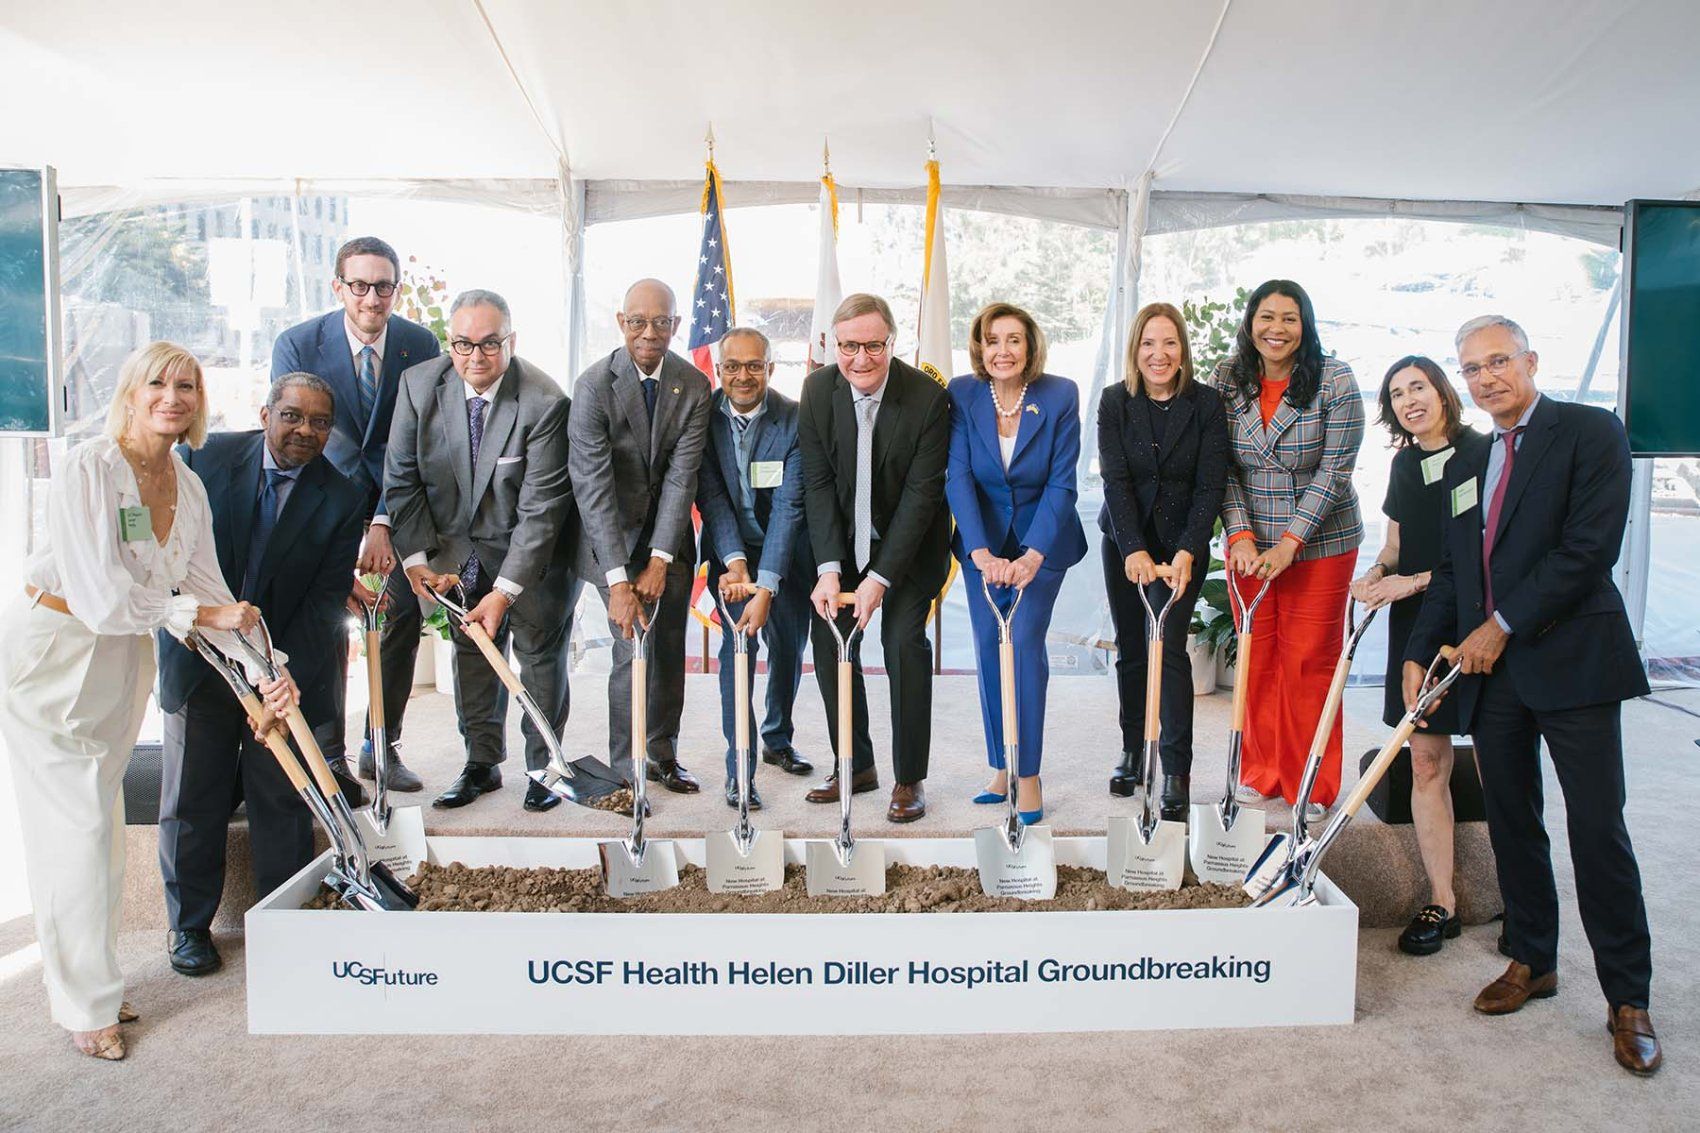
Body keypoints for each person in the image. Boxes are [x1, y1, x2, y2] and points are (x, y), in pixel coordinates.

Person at [0, 342, 294, 1061]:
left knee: (97, 823)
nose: (173, 395)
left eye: (186, 385)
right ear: (131, 392)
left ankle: (95, 979)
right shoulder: (88, 468)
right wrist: (201, 615)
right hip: (54, 651)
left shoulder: (185, 484)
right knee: (72, 831)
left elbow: (216, 594)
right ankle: (84, 1004)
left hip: (119, 658)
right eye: (157, 382)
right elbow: (104, 598)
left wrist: (266, 670)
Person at [1404, 315, 1659, 1075]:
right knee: (1514, 819)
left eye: (1498, 362)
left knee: (1596, 827)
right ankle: (1532, 959)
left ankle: (1629, 999)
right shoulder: (1468, 462)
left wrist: (1502, 624)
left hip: (1573, 660)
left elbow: (1589, 549)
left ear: (1530, 360)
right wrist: (1421, 651)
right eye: (1472, 368)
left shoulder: (1591, 432)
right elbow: (1453, 569)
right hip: (1494, 676)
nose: (1486, 378)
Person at [155, 373, 365, 977]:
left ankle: (282, 922)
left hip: (277, 670)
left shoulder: (343, 496)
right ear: (266, 411)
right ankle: (188, 928)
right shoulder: (202, 458)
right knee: (193, 800)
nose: (305, 431)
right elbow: (168, 561)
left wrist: (276, 674)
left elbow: (324, 601)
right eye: (293, 416)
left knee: (282, 800)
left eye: (320, 423)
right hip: (196, 655)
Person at [385, 290, 580, 812]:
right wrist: (417, 561)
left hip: (532, 559)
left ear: (510, 342)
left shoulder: (544, 401)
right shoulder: (418, 386)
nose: (476, 356)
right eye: (464, 344)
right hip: (455, 553)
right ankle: (481, 763)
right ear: (451, 343)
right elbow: (401, 482)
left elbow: (541, 510)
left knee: (538, 662)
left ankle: (545, 767)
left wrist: (505, 590)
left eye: (490, 344)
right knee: (471, 656)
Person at [272, 236, 442, 794]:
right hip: (321, 499)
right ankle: (330, 754)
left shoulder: (420, 344)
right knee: (322, 625)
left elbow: (421, 440)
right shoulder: (297, 343)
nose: (373, 298)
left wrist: (384, 520)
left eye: (384, 286)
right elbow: (292, 438)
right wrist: (346, 523)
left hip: (397, 502)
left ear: (397, 288)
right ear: (338, 286)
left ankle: (381, 744)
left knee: (401, 618)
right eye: (360, 285)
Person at [1212, 279, 1364, 816]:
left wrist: (1292, 542)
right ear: (1250, 321)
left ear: (1306, 326)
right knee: (1258, 657)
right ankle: (1261, 771)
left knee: (1308, 662)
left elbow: (1335, 470)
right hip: (1248, 544)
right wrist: (1240, 535)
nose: (1276, 329)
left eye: (1289, 319)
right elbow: (1220, 467)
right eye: (1267, 317)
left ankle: (1310, 781)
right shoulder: (1226, 379)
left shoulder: (1336, 379)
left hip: (1322, 541)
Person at [798, 293, 952, 823]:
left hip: (908, 551)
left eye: (872, 346)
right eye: (848, 347)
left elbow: (921, 497)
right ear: (832, 345)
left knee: (902, 642)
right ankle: (855, 764)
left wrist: (881, 577)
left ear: (892, 342)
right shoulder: (817, 391)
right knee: (827, 635)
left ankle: (909, 777)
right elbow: (816, 484)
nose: (860, 359)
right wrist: (829, 570)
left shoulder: (929, 399)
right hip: (843, 546)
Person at [1350, 356, 1484, 956]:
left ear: (1443, 391)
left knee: (1501, 758)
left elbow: (1481, 556)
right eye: (1397, 393)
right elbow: (1396, 545)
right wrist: (1377, 573)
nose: (1409, 400)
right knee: (1426, 763)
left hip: (1479, 619)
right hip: (1415, 623)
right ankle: (1443, 902)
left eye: (1418, 386)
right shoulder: (1404, 464)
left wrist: (1415, 580)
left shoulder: (1484, 454)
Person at [944, 302, 1086, 824]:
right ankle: (1000, 764)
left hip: (1041, 545)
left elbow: (1062, 482)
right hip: (983, 545)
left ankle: (1028, 774)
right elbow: (957, 474)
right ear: (980, 347)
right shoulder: (961, 393)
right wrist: (979, 552)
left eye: (1014, 340)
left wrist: (1032, 555)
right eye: (992, 339)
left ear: (1031, 346)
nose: (1002, 350)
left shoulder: (1060, 393)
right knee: (987, 646)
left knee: (1022, 643)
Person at [568, 279, 712, 793]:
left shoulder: (693, 385)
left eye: (660, 322)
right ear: (621, 322)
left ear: (675, 325)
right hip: (610, 536)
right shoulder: (592, 386)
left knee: (670, 648)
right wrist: (619, 581)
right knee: (629, 651)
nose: (649, 333)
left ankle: (663, 755)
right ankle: (625, 770)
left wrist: (660, 559)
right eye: (637, 321)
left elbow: (681, 477)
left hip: (666, 539)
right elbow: (593, 487)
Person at [1098, 302, 1230, 816]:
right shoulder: (1115, 402)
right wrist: (1132, 548)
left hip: (1181, 547)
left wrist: (1187, 552)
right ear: (1135, 349)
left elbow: (1210, 485)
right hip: (1126, 540)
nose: (1159, 354)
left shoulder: (1207, 405)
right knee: (1132, 647)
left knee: (1170, 647)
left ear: (1183, 350)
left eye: (1169, 343)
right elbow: (1116, 481)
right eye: (1149, 343)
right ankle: (1133, 749)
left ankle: (1176, 768)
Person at [697, 328, 816, 807]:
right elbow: (712, 497)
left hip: (786, 552)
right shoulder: (702, 417)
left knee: (787, 646)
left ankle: (777, 738)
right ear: (719, 368)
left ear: (770, 368)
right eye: (732, 366)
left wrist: (765, 584)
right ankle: (739, 768)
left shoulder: (794, 420)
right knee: (736, 654)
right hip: (731, 557)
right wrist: (737, 565)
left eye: (754, 366)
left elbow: (790, 508)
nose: (742, 376)